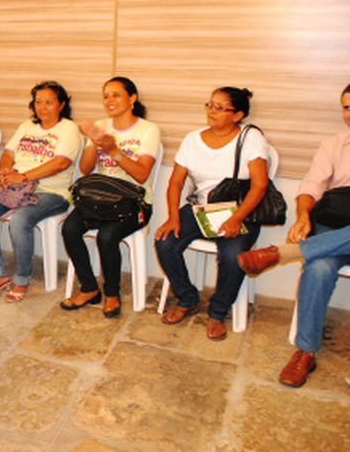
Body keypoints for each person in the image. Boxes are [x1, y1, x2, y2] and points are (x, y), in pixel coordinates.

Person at [237, 84, 350, 387]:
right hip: (336, 224)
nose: (349, 114)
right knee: (318, 266)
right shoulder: (334, 145)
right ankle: (306, 351)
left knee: (313, 256)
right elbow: (312, 186)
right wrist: (303, 215)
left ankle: (284, 253)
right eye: (346, 107)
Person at [154, 87, 270, 341]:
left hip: (241, 211)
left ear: (238, 114)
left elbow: (260, 185)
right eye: (210, 105)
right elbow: (175, 183)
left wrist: (236, 218)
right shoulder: (193, 139)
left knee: (232, 255)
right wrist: (173, 217)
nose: (211, 111)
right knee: (165, 241)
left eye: (220, 107)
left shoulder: (251, 139)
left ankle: (217, 312)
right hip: (202, 208)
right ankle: (187, 297)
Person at [0, 81, 82, 303]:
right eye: (38, 102)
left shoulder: (68, 129)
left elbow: (60, 163)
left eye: (48, 102)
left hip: (52, 192)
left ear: (61, 104)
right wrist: (4, 171)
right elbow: (9, 153)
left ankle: (21, 279)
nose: (42, 107)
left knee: (20, 219)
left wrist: (22, 177)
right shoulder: (26, 126)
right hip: (15, 189)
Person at [60, 77, 159, 317]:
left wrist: (113, 150)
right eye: (106, 95)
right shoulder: (101, 125)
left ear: (132, 98)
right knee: (70, 228)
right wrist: (94, 142)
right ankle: (89, 288)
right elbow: (85, 169)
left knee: (107, 236)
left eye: (116, 95)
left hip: (134, 203)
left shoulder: (148, 130)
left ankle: (112, 294)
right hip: (100, 200)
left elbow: (141, 174)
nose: (109, 100)